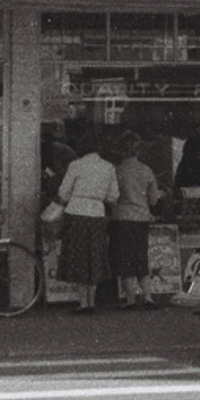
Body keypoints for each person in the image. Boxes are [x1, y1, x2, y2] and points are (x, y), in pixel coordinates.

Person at [55, 133, 118, 313]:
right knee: (95, 256)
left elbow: (63, 192)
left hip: (76, 213)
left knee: (79, 256)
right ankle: (93, 301)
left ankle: (83, 302)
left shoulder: (76, 165)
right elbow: (113, 196)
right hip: (97, 213)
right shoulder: (109, 167)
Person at [110, 130, 162, 308]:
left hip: (122, 217)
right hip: (141, 218)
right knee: (141, 256)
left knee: (125, 257)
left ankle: (131, 299)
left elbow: (111, 197)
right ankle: (148, 297)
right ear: (138, 150)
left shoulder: (117, 171)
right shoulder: (146, 171)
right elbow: (154, 199)